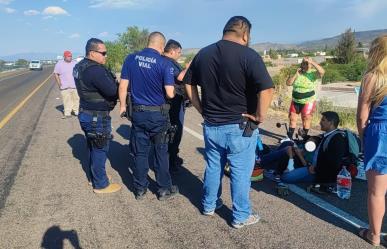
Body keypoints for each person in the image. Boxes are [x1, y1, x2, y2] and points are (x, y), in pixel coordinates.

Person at [183, 16, 274, 229]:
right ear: (245, 34)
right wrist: (260, 116)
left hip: (212, 125)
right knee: (240, 173)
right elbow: (267, 89)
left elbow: (188, 84)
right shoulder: (249, 55)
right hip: (240, 126)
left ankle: (208, 205)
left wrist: (200, 108)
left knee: (213, 167)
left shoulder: (203, 54)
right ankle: (241, 215)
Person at [119, 32, 179, 201]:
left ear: (149, 42)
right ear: (162, 46)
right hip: (158, 115)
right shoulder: (164, 63)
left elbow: (123, 86)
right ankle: (164, 189)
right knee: (161, 152)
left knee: (140, 153)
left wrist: (123, 106)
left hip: (138, 113)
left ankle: (140, 189)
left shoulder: (131, 59)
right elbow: (170, 93)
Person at [73, 38, 121, 194]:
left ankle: (93, 177)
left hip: (86, 113)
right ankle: (101, 184)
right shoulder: (95, 70)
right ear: (92, 53)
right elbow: (112, 91)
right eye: (103, 53)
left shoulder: (79, 66)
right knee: (100, 149)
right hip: (97, 117)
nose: (105, 56)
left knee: (92, 146)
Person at [356, 35, 387, 247]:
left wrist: (362, 136)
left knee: (377, 191)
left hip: (379, 134)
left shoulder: (372, 78)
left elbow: (361, 117)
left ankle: (374, 235)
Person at [276, 111, 346, 184]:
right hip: (312, 166)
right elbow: (316, 139)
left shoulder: (337, 139)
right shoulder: (328, 135)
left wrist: (315, 169)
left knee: (286, 177)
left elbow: (334, 163)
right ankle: (267, 163)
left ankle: (264, 162)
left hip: (318, 174)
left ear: (331, 122)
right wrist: (304, 136)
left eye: (323, 120)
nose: (320, 122)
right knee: (287, 145)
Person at [163, 39, 190, 173]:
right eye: (179, 52)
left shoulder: (164, 61)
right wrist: (189, 67)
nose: (179, 55)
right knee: (174, 131)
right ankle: (171, 162)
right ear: (172, 51)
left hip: (172, 102)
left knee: (171, 132)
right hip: (173, 103)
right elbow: (180, 77)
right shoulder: (168, 63)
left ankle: (172, 157)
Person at [286, 57, 325, 139]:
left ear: (311, 65)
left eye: (307, 63)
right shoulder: (298, 72)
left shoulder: (313, 73)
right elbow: (288, 83)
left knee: (306, 120)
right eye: (304, 63)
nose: (306, 65)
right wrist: (296, 75)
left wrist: (312, 62)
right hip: (295, 101)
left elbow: (322, 71)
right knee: (292, 119)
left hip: (308, 101)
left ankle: (304, 138)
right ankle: (289, 138)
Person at [54, 50, 79, 119]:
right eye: (68, 56)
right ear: (64, 57)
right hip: (64, 86)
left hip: (74, 86)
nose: (70, 57)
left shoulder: (75, 63)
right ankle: (67, 113)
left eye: (71, 56)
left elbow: (79, 72)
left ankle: (76, 111)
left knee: (76, 99)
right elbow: (56, 74)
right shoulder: (59, 64)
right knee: (66, 100)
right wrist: (59, 83)